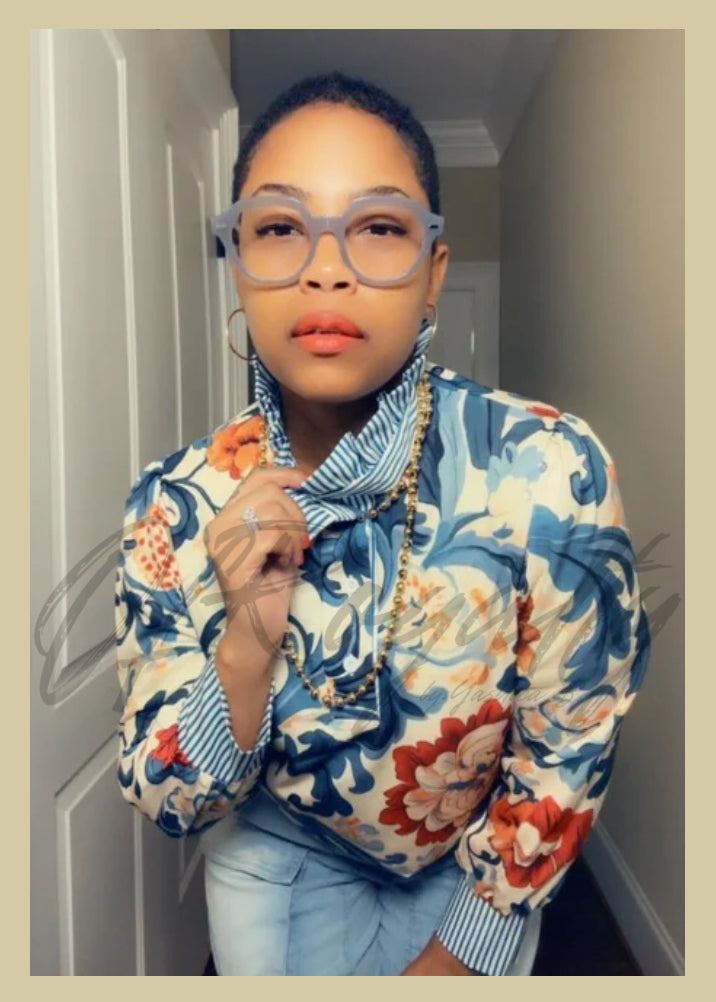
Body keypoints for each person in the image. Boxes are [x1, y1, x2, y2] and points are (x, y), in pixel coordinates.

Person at [114, 70, 651, 977]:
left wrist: (459, 957)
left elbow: (570, 748)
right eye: (279, 226)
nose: (327, 267)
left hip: (476, 868)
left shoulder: (551, 469)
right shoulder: (172, 502)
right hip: (273, 860)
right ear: (239, 262)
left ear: (433, 273)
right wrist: (246, 641)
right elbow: (171, 803)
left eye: (379, 227)